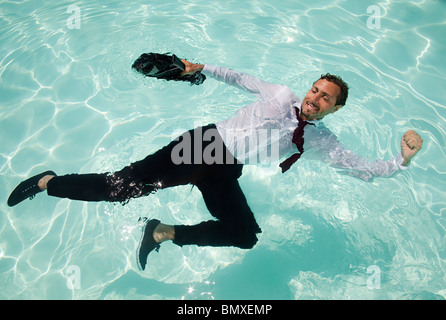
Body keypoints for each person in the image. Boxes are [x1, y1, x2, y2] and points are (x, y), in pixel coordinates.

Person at [7, 57, 423, 271]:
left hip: (226, 170)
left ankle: (162, 232)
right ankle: (49, 182)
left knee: (244, 235)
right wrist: (197, 67)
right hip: (203, 148)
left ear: (334, 109)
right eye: (315, 88)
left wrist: (400, 162)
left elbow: (358, 168)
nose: (315, 97)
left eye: (325, 97)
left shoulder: (320, 139)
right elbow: (238, 77)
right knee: (118, 189)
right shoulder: (279, 95)